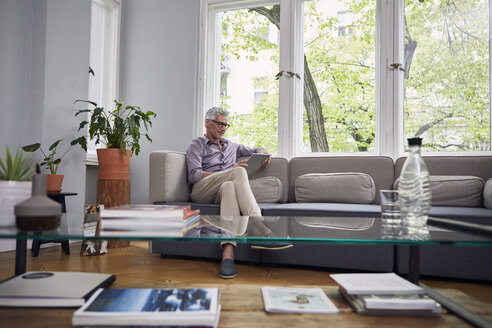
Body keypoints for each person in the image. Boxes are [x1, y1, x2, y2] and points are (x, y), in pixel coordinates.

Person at [186, 106, 271, 279]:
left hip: (222, 191)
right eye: (219, 124)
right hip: (202, 190)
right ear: (207, 123)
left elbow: (257, 149)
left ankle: (228, 254)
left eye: (225, 125)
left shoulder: (231, 145)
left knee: (229, 187)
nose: (223, 128)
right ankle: (258, 225)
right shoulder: (196, 144)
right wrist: (228, 171)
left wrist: (264, 153)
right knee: (238, 171)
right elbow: (194, 175)